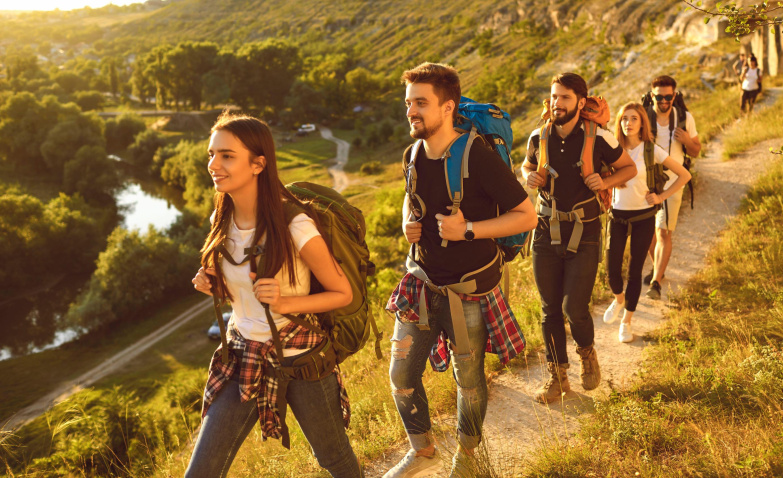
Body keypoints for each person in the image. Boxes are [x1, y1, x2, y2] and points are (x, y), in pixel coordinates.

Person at [186, 112, 361, 478]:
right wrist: (213, 284)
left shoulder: (295, 225)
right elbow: (241, 294)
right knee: (202, 472)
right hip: (242, 358)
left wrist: (285, 303)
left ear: (258, 164)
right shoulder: (223, 219)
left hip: (301, 361)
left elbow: (342, 292)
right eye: (211, 154)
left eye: (227, 156)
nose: (213, 164)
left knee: (336, 462)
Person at [384, 62, 537, 478]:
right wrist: (405, 221)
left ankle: (468, 458)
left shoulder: (478, 157)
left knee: (468, 383)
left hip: (469, 290)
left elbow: (526, 216)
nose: (412, 111)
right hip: (421, 283)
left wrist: (467, 229)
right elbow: (410, 195)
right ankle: (423, 449)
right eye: (408, 103)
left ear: (448, 106)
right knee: (400, 375)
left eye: (421, 103)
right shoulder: (412, 153)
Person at [522, 72, 637, 404]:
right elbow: (525, 167)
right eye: (554, 97)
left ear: (581, 102)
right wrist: (530, 176)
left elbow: (628, 168)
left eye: (565, 98)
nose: (557, 103)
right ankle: (557, 378)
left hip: (585, 231)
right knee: (549, 310)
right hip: (545, 231)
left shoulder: (599, 137)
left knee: (574, 306)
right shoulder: (538, 135)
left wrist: (606, 182)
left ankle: (587, 355)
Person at [603, 103, 691, 343]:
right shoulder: (612, 149)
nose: (628, 123)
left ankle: (627, 323)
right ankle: (619, 300)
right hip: (617, 216)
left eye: (634, 119)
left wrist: (661, 197)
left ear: (642, 123)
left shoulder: (651, 150)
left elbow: (685, 175)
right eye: (624, 119)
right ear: (619, 123)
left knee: (634, 272)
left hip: (643, 217)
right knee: (612, 271)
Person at [642, 75, 702, 300]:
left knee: (663, 231)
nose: (664, 100)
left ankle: (656, 282)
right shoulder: (644, 117)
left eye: (668, 96)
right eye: (659, 96)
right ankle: (659, 267)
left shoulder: (685, 118)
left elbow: (696, 151)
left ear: (674, 96)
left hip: (674, 181)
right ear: (652, 96)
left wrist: (686, 139)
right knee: (648, 233)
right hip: (646, 182)